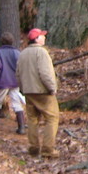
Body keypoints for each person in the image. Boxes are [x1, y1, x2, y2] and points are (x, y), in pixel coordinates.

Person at [16, 28, 60, 159]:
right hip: (43, 92)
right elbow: (45, 74)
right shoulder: (42, 53)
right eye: (42, 36)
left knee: (32, 120)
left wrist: (22, 89)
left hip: (28, 92)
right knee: (52, 118)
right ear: (36, 39)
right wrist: (52, 88)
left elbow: (18, 74)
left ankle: (33, 148)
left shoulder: (22, 53)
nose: (44, 38)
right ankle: (48, 150)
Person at [0, 32, 26, 134]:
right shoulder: (17, 53)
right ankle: (21, 127)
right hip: (15, 82)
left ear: (2, 42)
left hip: (2, 82)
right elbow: (22, 68)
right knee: (17, 103)